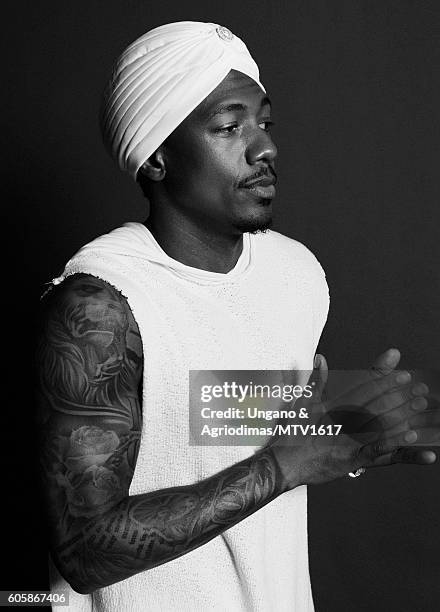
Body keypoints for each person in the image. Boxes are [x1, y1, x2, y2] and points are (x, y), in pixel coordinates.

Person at [36, 21, 437, 612]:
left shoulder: (296, 274)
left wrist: (341, 434)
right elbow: (85, 551)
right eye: (229, 127)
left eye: (265, 123)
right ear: (155, 159)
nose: (264, 148)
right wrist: (286, 463)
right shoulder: (100, 303)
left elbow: (215, 427)